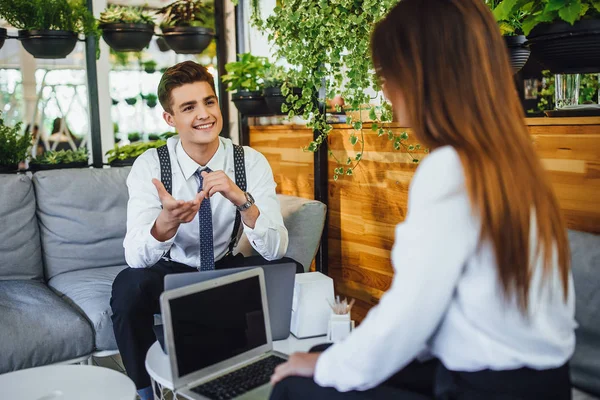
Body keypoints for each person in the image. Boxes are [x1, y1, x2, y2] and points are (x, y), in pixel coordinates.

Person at [269, 0, 576, 399]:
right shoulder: (512, 159)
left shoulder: (451, 168)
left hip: (485, 387)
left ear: (422, 76)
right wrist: (334, 360)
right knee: (326, 355)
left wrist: (325, 367)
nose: (383, 88)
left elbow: (412, 313)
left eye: (386, 73)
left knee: (296, 385)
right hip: (543, 383)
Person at [110, 61, 297, 400]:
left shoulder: (249, 161)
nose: (204, 114)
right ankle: (144, 391)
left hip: (225, 265)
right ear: (170, 119)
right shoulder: (151, 165)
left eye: (209, 102)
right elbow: (135, 256)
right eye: (189, 107)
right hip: (171, 269)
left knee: (290, 271)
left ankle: (278, 374)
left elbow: (276, 249)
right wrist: (166, 223)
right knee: (128, 288)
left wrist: (243, 201)